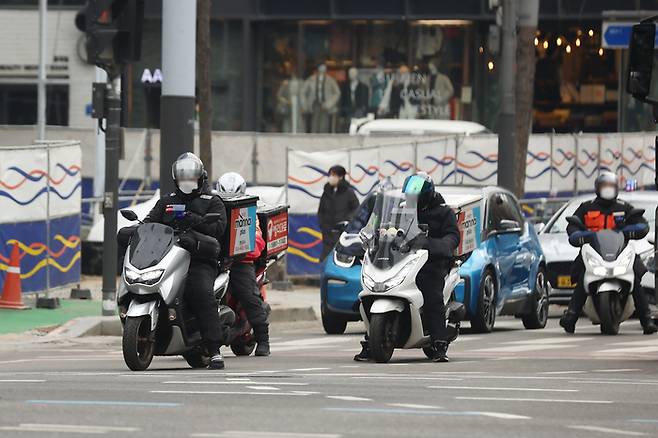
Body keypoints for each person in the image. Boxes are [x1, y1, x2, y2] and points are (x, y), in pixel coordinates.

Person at [354, 173, 460, 362]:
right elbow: (385, 228)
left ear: (427, 195)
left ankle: (439, 343)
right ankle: (371, 342)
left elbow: (452, 238)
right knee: (371, 289)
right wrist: (374, 239)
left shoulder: (444, 213)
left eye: (415, 197)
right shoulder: (400, 211)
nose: (412, 200)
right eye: (409, 196)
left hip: (431, 263)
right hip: (402, 260)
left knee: (431, 294)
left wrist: (430, 243)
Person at [144, 153, 229, 369]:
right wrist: (134, 230)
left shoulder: (212, 201)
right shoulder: (166, 201)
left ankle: (214, 349)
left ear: (200, 178)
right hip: (165, 258)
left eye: (191, 178)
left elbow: (218, 229)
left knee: (201, 293)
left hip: (199, 260)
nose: (187, 182)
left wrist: (196, 221)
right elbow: (148, 223)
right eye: (183, 178)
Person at [560, 171, 657, 335]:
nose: (607, 189)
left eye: (610, 186)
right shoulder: (587, 207)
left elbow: (640, 223)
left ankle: (646, 320)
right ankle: (571, 317)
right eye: (604, 186)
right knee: (582, 276)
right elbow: (573, 226)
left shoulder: (623, 207)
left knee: (636, 276)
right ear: (598, 188)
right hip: (594, 252)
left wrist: (633, 230)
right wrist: (578, 235)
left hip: (620, 251)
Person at [217, 172, 271, 356]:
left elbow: (258, 241)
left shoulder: (249, 213)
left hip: (241, 262)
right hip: (214, 261)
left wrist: (240, 251)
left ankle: (263, 339)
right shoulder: (213, 208)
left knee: (249, 296)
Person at [317, 165, 360, 260]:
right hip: (327, 233)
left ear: (340, 177)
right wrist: (322, 224)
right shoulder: (327, 192)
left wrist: (346, 222)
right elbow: (321, 211)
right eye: (330, 175)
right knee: (325, 258)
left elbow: (356, 209)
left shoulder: (348, 192)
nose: (331, 177)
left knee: (339, 257)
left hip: (341, 233)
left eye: (333, 175)